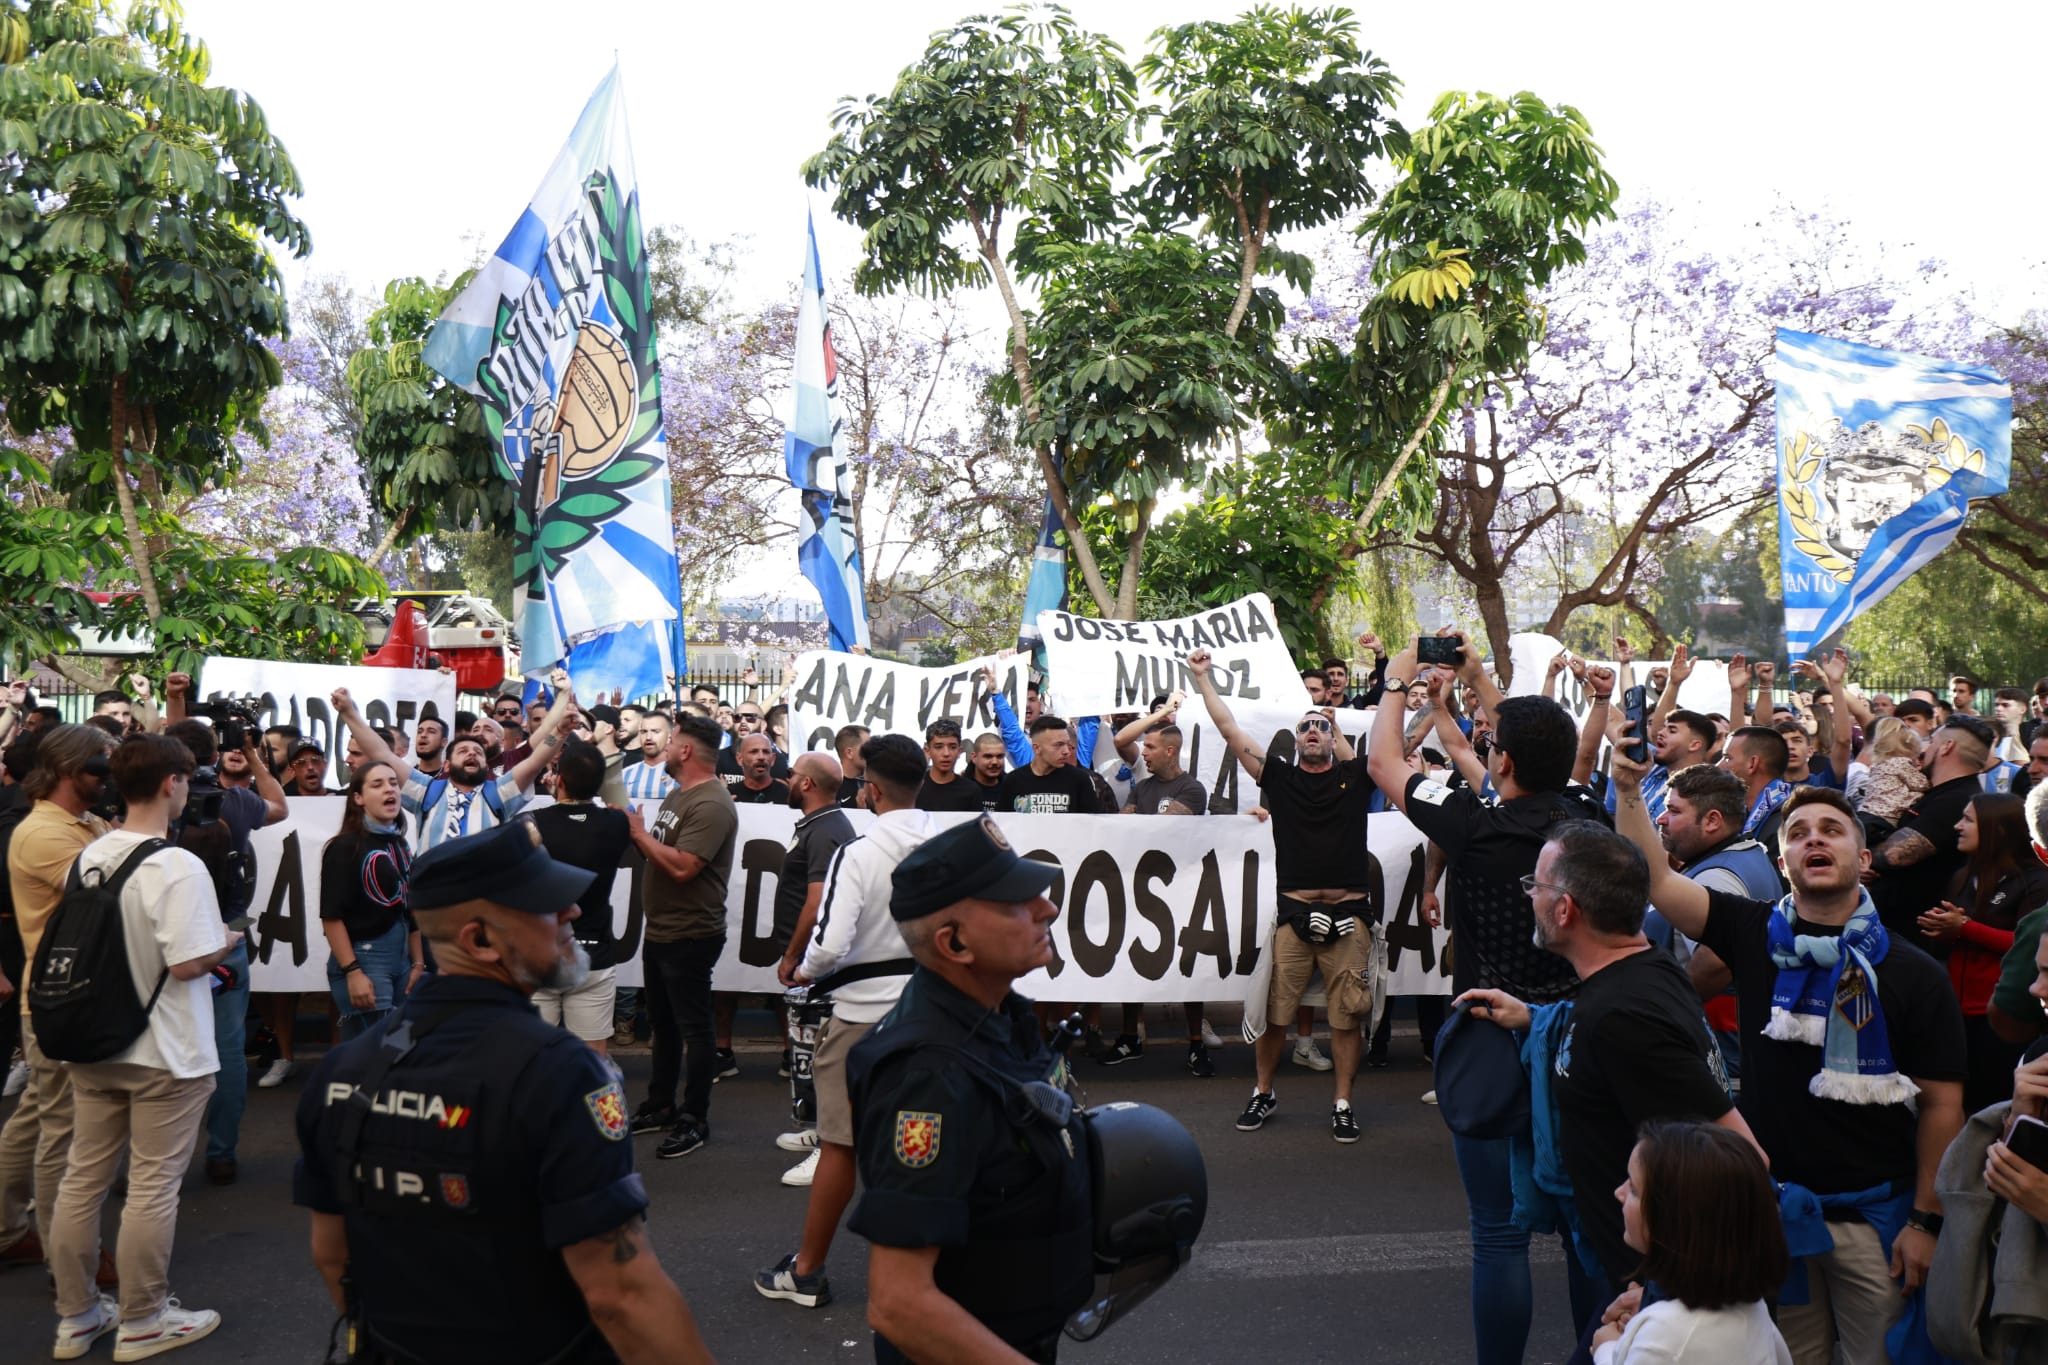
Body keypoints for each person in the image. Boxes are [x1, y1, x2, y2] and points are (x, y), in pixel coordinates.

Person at [292, 821, 715, 1365]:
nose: (572, 912)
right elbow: (622, 1295)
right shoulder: (561, 1075)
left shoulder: (342, 1069)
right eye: (546, 903)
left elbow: (332, 1257)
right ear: (479, 940)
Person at [1611, 765, 1966, 1363]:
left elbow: (1943, 1106)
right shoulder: (1753, 932)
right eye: (1798, 833)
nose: (1815, 840)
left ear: (1864, 858)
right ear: (1784, 864)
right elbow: (1658, 880)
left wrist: (1926, 1223)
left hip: (1875, 1219)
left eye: (1833, 830)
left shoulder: (1914, 972)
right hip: (1773, 1215)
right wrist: (1625, 789)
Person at [1365, 635, 1607, 1363]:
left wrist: (1395, 684)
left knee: (1497, 1231)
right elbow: (1503, 763)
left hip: (1490, 1042)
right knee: (1585, 1227)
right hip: (1580, 1041)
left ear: (1502, 760)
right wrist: (1467, 686)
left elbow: (1384, 764)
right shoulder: (1587, 818)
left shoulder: (1475, 827)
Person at [1455, 821, 1756, 1290]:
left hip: (1652, 1284)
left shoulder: (1622, 1019)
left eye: (1535, 885)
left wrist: (1658, 1295)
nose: (1528, 896)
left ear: (1564, 909)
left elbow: (1740, 1153)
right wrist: (1535, 1018)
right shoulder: (1642, 970)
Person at [845, 815, 1090, 1364]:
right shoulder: (927, 1078)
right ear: (953, 943)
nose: (1046, 908)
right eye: (1016, 903)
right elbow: (899, 1303)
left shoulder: (1001, 1016)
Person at [49, 734, 240, 1361]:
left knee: (83, 1180)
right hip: (165, 1051)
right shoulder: (176, 863)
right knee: (154, 1188)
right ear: (170, 784)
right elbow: (189, 965)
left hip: (93, 1037)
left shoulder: (92, 853)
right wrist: (230, 939)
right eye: (185, 779)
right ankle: (144, 1318)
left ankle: (76, 1315)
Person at [755, 736, 933, 1310]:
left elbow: (829, 948)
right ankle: (927, 1270)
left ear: (871, 791)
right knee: (923, 1141)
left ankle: (806, 1272)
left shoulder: (856, 853)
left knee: (841, 1146)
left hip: (862, 1018)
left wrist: (801, 970)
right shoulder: (950, 842)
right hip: (931, 1013)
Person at [1191, 647, 1376, 1142]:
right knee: (1276, 1013)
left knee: (1346, 1016)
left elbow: (1398, 745)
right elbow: (1229, 730)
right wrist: (1203, 679)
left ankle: (1342, 1103)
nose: (1312, 731)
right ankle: (1264, 1090)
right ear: (1293, 743)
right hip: (1294, 914)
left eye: (1320, 726)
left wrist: (1336, 727)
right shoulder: (1278, 776)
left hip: (1348, 914)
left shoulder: (1353, 779)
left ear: (1333, 738)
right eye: (1304, 728)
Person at [0, 724, 116, 1271]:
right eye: (101, 765)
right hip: (60, 1001)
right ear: (70, 769)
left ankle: (7, 1229)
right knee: (62, 1134)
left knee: (33, 1121)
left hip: (59, 998)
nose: (109, 775)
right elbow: (113, 893)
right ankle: (66, 1257)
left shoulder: (83, 821)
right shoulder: (45, 832)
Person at [624, 714, 737, 1160]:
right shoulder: (681, 792)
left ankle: (695, 1116)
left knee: (695, 1028)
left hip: (690, 933)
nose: (665, 747)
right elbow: (662, 852)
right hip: (664, 929)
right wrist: (634, 831)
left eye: (672, 741)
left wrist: (638, 834)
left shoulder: (710, 803)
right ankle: (661, 1103)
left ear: (686, 751)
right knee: (664, 1025)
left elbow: (685, 867)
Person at [1590, 1121, 1792, 1365]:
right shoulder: (1752, 1307)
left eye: (1633, 1189)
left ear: (1674, 1219)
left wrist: (1607, 1347)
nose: (1619, 1193)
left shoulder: (1667, 1334)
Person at [333, 674, 575, 852]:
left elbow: (535, 761)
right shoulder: (425, 791)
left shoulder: (500, 793)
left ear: (485, 765)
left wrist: (561, 731)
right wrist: (349, 713)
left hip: (484, 904)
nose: (472, 754)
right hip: (431, 908)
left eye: (478, 753)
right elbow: (383, 755)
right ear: (447, 765)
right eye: (463, 750)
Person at [1917, 793, 2048, 1112]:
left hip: (1997, 1018)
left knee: (1991, 1104)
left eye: (1969, 820)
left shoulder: (2033, 881)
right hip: (1955, 1015)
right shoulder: (1962, 877)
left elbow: (2024, 945)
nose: (1957, 826)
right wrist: (1941, 930)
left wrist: (1965, 928)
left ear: (1997, 830)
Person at [529, 741, 635, 1058]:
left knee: (534, 1058)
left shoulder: (531, 823)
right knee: (593, 1060)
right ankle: (592, 1110)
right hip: (594, 955)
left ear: (558, 779)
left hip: (540, 953)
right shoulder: (618, 824)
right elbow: (620, 803)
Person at [1870, 713, 1997, 953]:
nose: (1923, 749)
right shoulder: (1939, 794)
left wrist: (1864, 861)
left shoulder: (1956, 800)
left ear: (1947, 746)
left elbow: (1896, 854)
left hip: (1916, 941)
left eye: (1931, 741)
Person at [320, 761, 419, 1044]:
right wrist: (353, 972)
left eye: (393, 782)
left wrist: (418, 963)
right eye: (377, 784)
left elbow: (410, 909)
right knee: (371, 1061)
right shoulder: (343, 847)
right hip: (365, 960)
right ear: (358, 798)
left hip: (401, 962)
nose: (389, 789)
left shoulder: (399, 844)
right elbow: (331, 917)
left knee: (398, 1052)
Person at [996, 716, 1102, 815]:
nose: (1066, 751)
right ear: (1037, 748)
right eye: (1058, 745)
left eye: (1067, 744)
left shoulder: (1080, 780)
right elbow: (1002, 824)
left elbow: (1091, 825)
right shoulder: (1014, 780)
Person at [915, 719, 983, 814]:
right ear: (927, 751)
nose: (946, 753)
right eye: (939, 747)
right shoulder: (914, 788)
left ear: (959, 751)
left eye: (952, 747)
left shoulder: (971, 790)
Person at [622, 711, 678, 802]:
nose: (648, 737)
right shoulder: (624, 775)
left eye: (656, 731)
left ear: (669, 737)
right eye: (644, 732)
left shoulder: (683, 775)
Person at [727, 733, 791, 805]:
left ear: (773, 759)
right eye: (754, 752)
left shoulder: (788, 797)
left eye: (766, 752)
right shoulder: (729, 796)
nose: (761, 757)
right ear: (740, 759)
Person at [833, 724, 869, 808]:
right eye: (867, 747)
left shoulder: (873, 786)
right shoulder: (830, 786)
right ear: (849, 753)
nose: (872, 751)